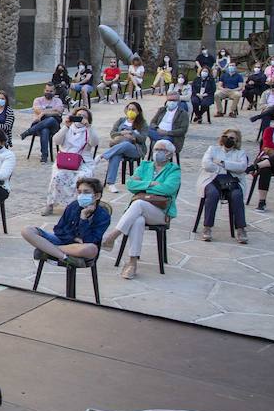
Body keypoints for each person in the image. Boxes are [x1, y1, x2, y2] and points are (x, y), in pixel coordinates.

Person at [101, 139, 181, 279]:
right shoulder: (145, 166)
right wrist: (151, 183)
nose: (158, 153)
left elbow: (168, 188)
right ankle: (132, 263)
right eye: (156, 149)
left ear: (169, 154)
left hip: (161, 212)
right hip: (141, 209)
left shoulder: (174, 170)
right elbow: (131, 184)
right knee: (137, 220)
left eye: (162, 150)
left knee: (138, 204)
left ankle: (112, 236)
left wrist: (143, 186)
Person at [22, 178, 109, 266]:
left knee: (91, 249)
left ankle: (46, 249)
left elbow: (89, 240)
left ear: (97, 196)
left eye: (86, 192)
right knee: (27, 230)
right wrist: (73, 238)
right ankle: (64, 257)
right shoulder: (73, 206)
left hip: (80, 248)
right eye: (79, 192)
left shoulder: (103, 216)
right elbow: (58, 230)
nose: (82, 195)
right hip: (64, 241)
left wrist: (83, 218)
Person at [199, 128, 250, 244]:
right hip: (213, 179)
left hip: (232, 182)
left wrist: (223, 163)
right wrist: (222, 169)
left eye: (231, 138)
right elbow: (206, 164)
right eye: (226, 137)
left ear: (236, 141)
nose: (228, 140)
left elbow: (242, 167)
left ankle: (241, 228)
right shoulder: (213, 149)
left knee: (237, 195)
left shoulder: (240, 153)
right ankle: (207, 227)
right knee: (212, 194)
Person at [44, 107, 96, 215]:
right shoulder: (68, 129)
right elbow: (56, 140)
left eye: (84, 116)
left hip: (82, 162)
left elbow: (94, 142)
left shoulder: (88, 130)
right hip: (64, 161)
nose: (81, 118)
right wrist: (66, 126)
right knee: (57, 176)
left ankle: (79, 204)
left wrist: (88, 127)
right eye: (79, 115)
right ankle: (50, 204)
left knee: (83, 177)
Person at [96, 101, 147, 192]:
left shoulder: (142, 123)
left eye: (133, 110)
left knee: (126, 144)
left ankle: (103, 156)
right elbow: (112, 134)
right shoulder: (121, 120)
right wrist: (121, 133)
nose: (130, 111)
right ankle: (111, 183)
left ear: (138, 112)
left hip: (135, 149)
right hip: (119, 146)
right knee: (116, 155)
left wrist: (133, 135)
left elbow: (143, 138)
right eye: (129, 109)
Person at [18, 84, 67, 163]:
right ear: (44, 90)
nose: (48, 92)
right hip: (39, 125)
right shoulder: (38, 100)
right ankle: (44, 156)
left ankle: (28, 132)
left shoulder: (58, 101)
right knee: (45, 130)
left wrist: (44, 113)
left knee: (51, 119)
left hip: (54, 126)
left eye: (51, 91)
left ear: (54, 92)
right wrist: (52, 111)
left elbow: (59, 112)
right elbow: (38, 111)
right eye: (47, 91)